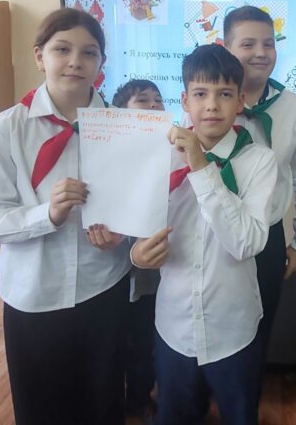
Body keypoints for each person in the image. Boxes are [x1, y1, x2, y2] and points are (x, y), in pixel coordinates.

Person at [0, 8, 131, 425]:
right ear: (40, 56)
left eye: (89, 52)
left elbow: (142, 209)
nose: (76, 61)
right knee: (41, 409)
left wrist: (126, 234)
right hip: (33, 295)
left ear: (101, 63)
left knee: (103, 404)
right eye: (62, 49)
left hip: (103, 287)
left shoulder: (126, 130)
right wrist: (48, 215)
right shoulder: (6, 129)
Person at [132, 44, 277, 424]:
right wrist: (136, 254)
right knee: (176, 415)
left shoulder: (259, 161)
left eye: (224, 94)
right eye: (200, 93)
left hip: (234, 328)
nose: (212, 105)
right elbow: (138, 227)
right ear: (185, 100)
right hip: (174, 325)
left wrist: (201, 166)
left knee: (240, 415)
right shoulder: (159, 157)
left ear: (240, 101)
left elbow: (246, 243)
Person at [222, 6, 296, 362]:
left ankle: (250, 388)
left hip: (268, 236)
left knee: (260, 325)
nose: (261, 53)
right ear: (226, 48)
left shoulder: (293, 107)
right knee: (215, 323)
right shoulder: (208, 102)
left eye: (269, 43)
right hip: (216, 234)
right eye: (248, 44)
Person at [111, 79, 164, 421]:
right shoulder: (107, 156)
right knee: (117, 341)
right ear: (120, 112)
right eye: (143, 100)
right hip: (113, 268)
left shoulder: (173, 152)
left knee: (145, 340)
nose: (154, 106)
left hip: (152, 273)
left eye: (159, 100)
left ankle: (140, 397)